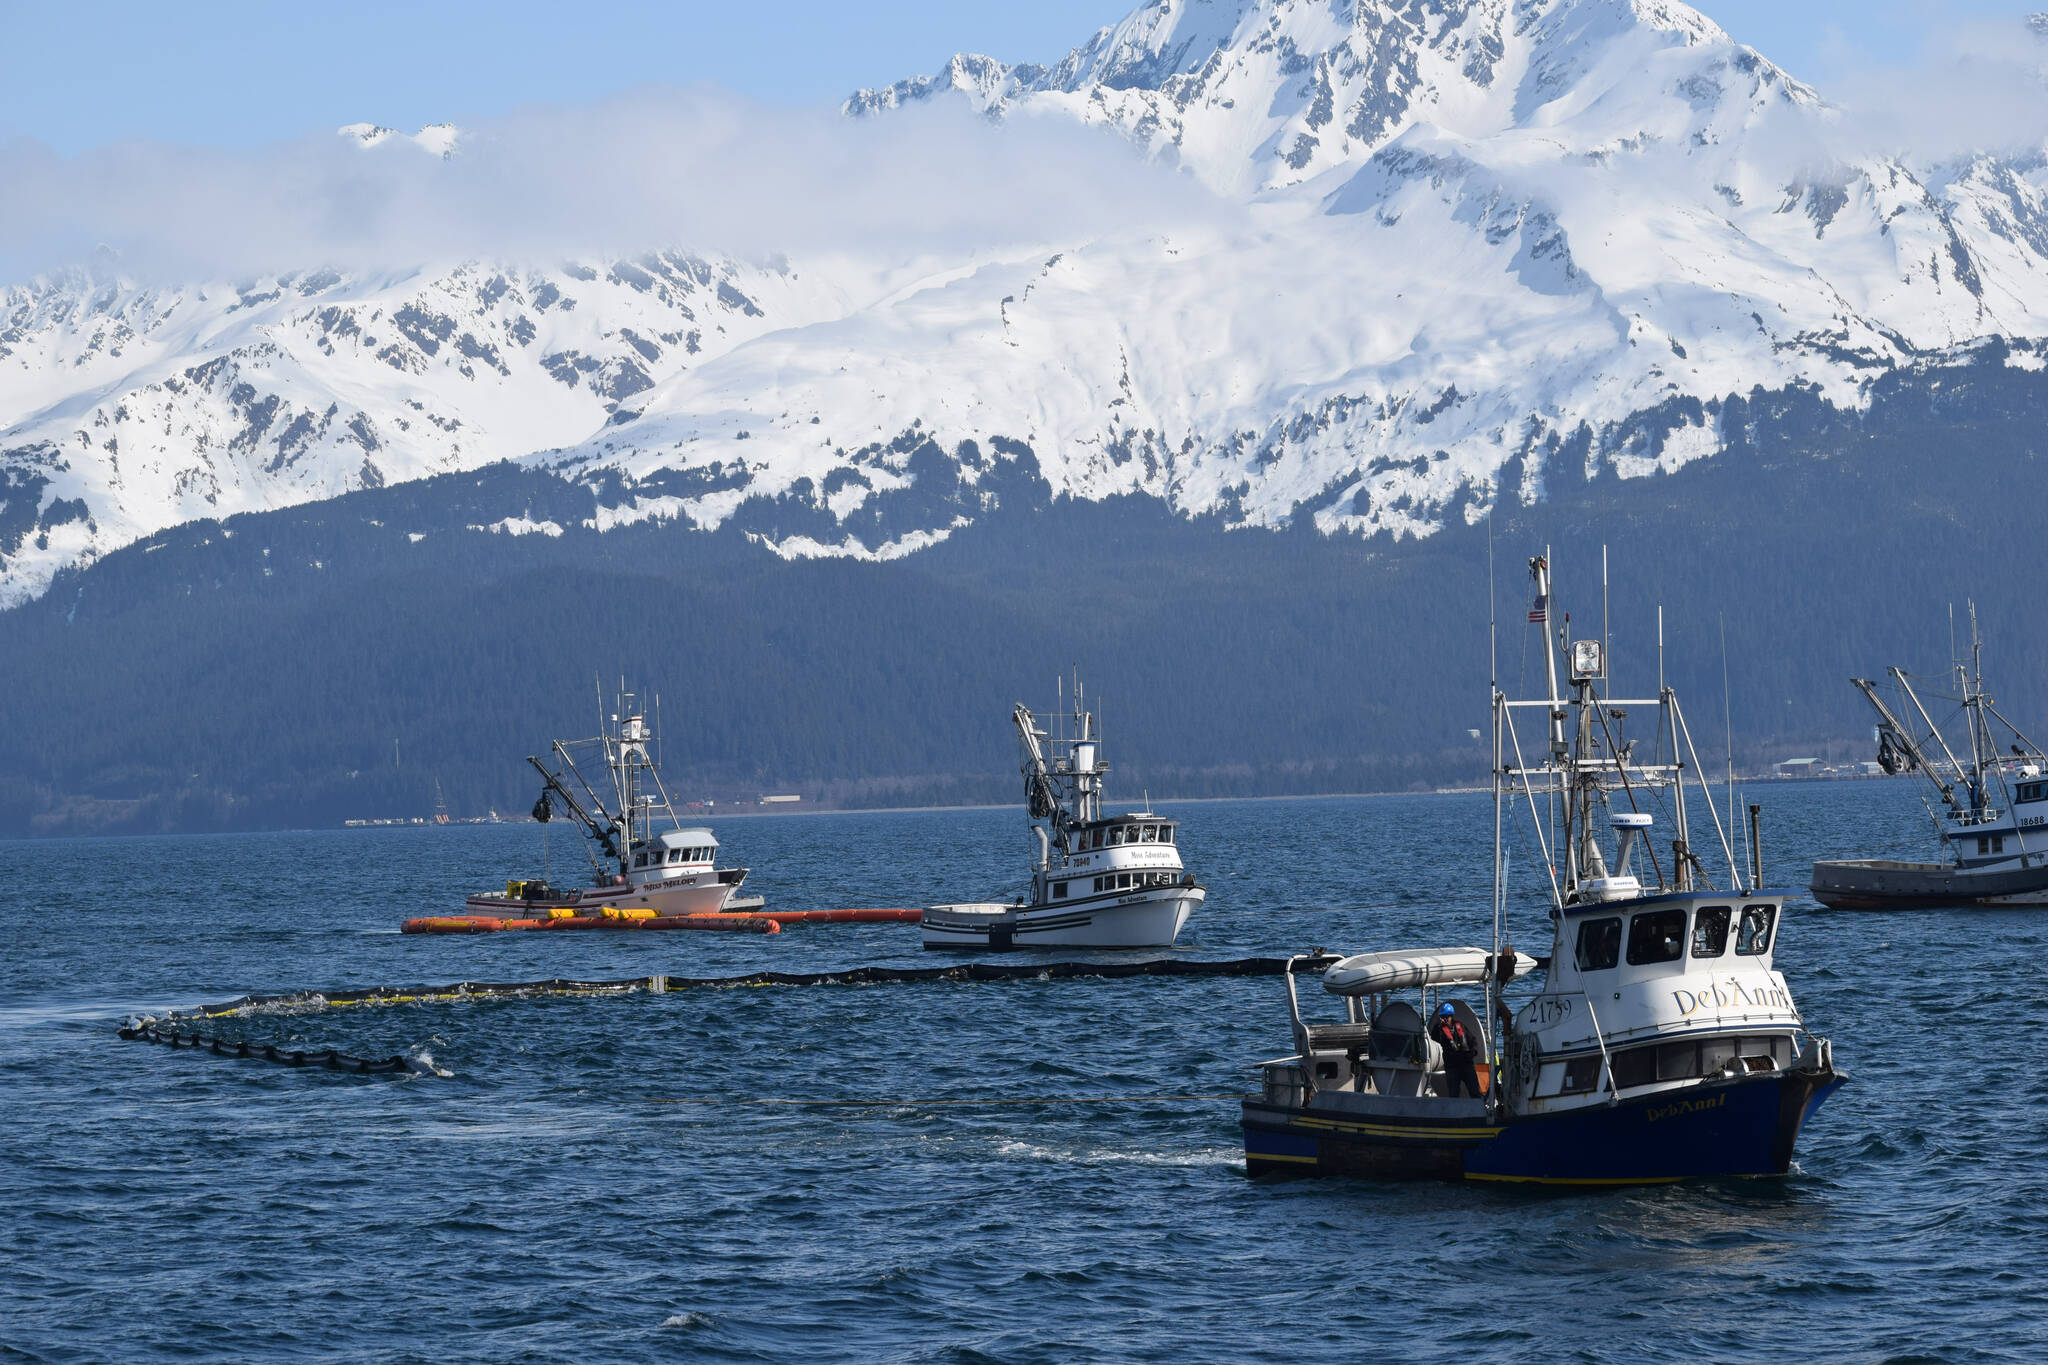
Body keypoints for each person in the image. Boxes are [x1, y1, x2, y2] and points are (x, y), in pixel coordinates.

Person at [1432, 1003, 1482, 1099]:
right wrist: (1438, 1026)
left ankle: (1478, 1109)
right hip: (1452, 1067)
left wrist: (1473, 1052)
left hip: (1466, 1064)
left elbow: (1472, 1040)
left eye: (1446, 1017)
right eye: (1442, 1017)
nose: (1444, 1019)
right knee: (1454, 1093)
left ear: (1451, 1016)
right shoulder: (1439, 1030)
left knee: (1474, 1091)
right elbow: (1435, 1038)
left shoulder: (1460, 1026)